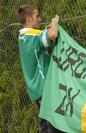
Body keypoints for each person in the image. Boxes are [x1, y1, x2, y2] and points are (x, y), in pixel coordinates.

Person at [16, 5, 62, 133]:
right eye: (37, 16)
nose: (40, 19)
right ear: (29, 19)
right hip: (45, 87)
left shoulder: (23, 36)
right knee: (54, 126)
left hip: (37, 89)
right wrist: (54, 22)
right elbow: (52, 34)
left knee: (45, 127)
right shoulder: (33, 36)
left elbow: (42, 39)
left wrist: (46, 30)